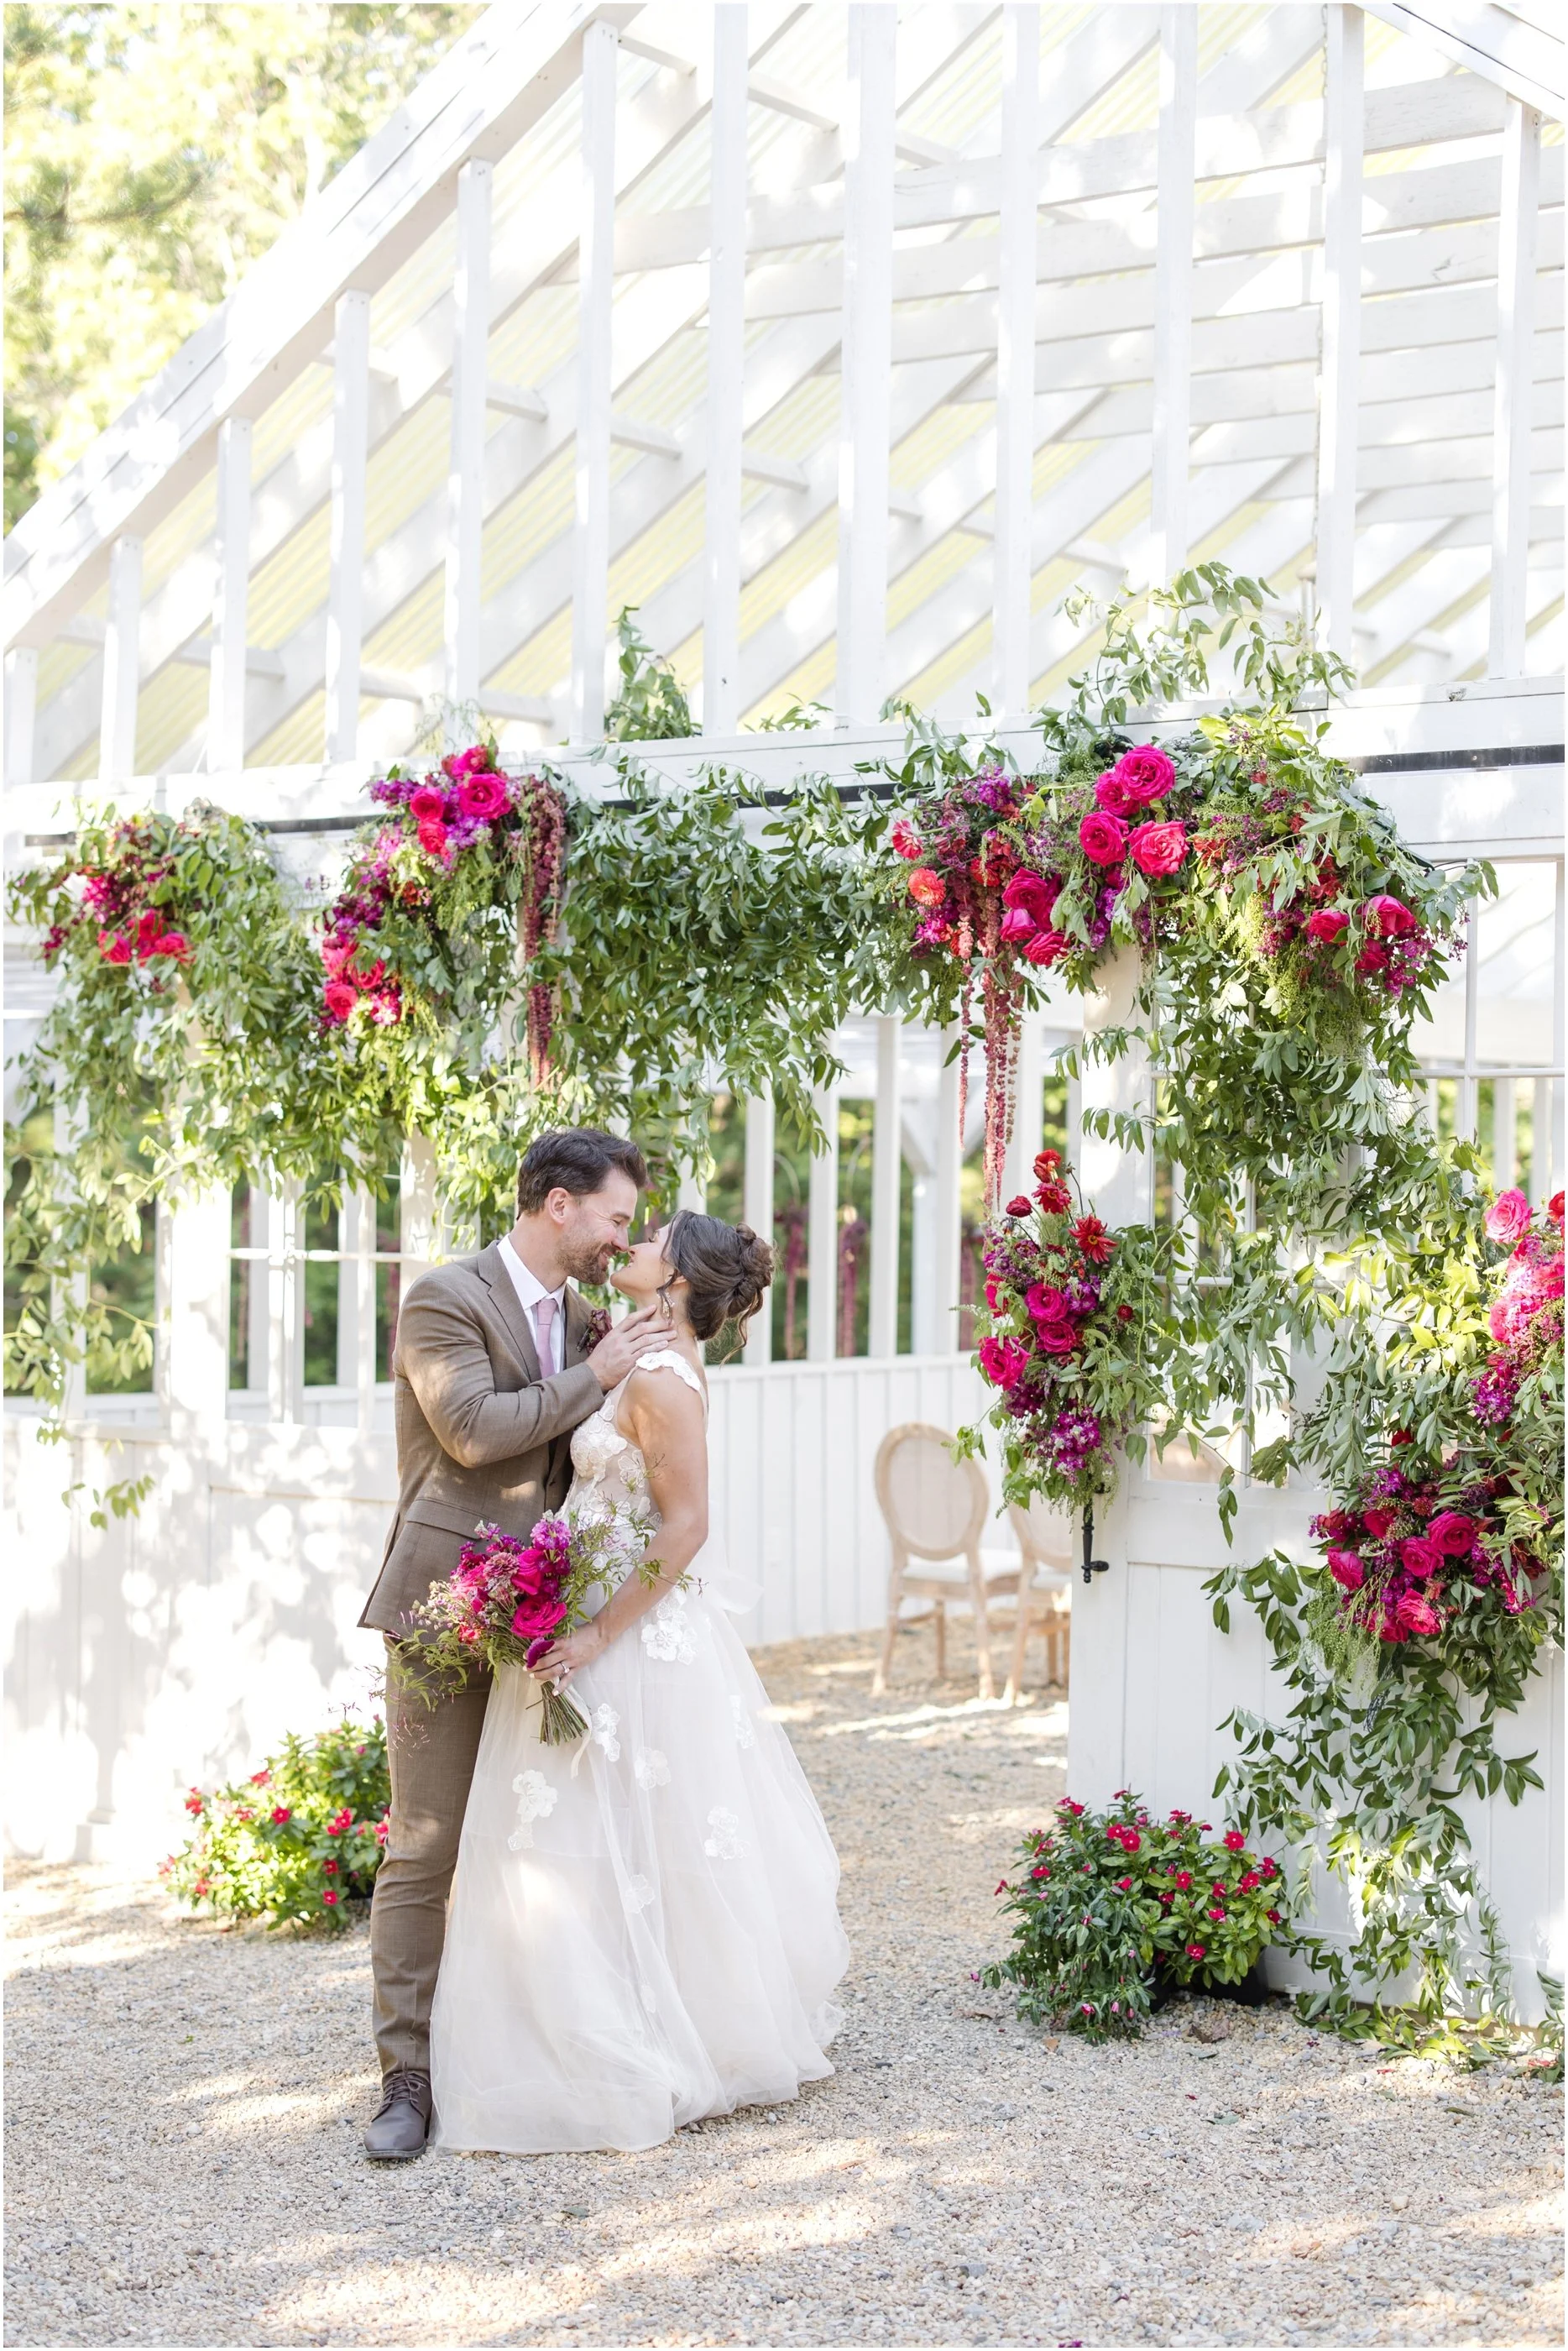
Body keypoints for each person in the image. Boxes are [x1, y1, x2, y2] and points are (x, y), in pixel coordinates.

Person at [428, 1210, 848, 2155]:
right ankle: (589, 2018)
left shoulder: (662, 1380)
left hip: (622, 1625)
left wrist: (593, 1635)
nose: (633, 1244)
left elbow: (685, 1525)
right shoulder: (639, 1355)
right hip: (584, 1600)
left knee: (597, 1831)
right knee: (596, 1835)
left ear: (679, 1276)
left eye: (649, 1237)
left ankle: (633, 2036)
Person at [362, 1127, 672, 2160]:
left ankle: (519, 2053)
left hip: (552, 1616)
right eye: (614, 1218)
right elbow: (473, 1429)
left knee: (543, 1843)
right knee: (426, 1844)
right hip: (444, 1609)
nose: (619, 1237)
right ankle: (404, 2080)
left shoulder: (590, 1319)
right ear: (558, 1205)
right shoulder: (442, 1298)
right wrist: (597, 1373)